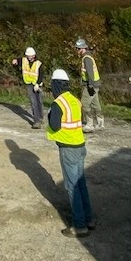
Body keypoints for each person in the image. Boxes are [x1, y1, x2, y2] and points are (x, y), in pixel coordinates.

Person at [47, 68, 95, 237]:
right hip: (80, 146)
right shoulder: (74, 100)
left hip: (68, 148)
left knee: (71, 186)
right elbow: (80, 120)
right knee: (80, 184)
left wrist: (49, 114)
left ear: (55, 85)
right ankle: (89, 219)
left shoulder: (58, 103)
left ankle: (79, 225)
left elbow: (54, 125)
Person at [75, 38, 104, 131]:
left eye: (78, 49)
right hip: (95, 84)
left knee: (84, 103)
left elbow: (90, 72)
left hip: (91, 84)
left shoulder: (86, 58)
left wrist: (90, 85)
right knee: (96, 104)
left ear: (82, 48)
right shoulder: (89, 56)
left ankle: (89, 124)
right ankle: (100, 123)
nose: (77, 51)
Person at [21, 47, 44, 127]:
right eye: (27, 56)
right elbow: (18, 60)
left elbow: (41, 75)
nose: (28, 57)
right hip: (29, 84)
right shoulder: (24, 60)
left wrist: (37, 84)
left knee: (39, 101)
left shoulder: (38, 63)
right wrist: (15, 61)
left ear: (34, 56)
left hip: (37, 84)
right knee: (33, 102)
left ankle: (40, 117)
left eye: (30, 56)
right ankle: (36, 121)